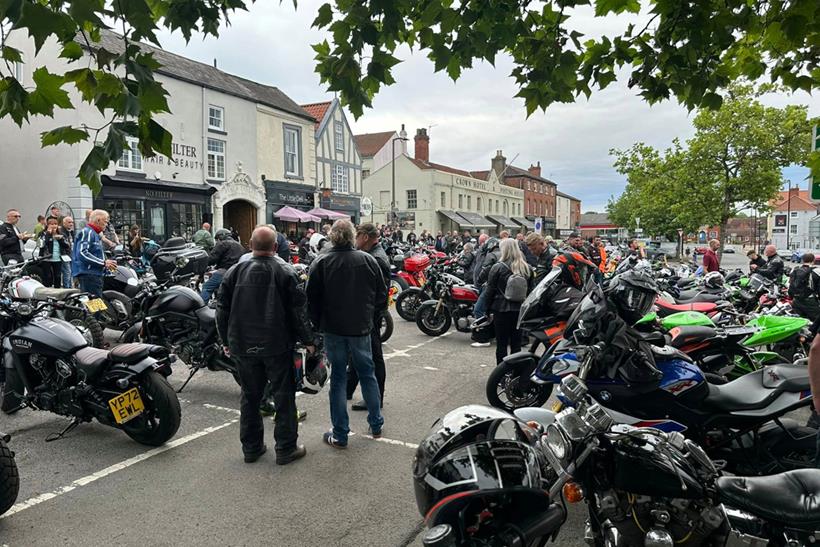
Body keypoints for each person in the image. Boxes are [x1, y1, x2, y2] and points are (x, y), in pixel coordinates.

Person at [216, 225, 315, 465]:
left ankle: (251, 448)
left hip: (243, 344)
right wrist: (309, 341)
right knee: (283, 396)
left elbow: (221, 310)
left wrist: (226, 341)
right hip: (276, 345)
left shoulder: (235, 271)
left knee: (250, 396)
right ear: (274, 247)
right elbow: (298, 312)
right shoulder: (285, 271)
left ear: (250, 245)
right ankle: (286, 448)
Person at [306, 219, 386, 448]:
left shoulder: (321, 262)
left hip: (334, 328)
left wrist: (317, 325)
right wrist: (369, 316)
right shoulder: (368, 260)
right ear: (352, 236)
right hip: (360, 327)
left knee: (339, 378)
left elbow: (311, 299)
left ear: (333, 237)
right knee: (366, 372)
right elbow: (381, 295)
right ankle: (376, 424)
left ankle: (340, 433)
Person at [347, 223, 390, 411]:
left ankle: (376, 398)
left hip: (369, 315)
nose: (355, 240)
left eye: (357, 236)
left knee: (373, 356)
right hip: (367, 314)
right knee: (359, 353)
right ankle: (348, 389)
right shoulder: (374, 255)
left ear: (364, 237)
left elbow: (378, 292)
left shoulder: (376, 258)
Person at [484, 239, 532, 364]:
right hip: (520, 310)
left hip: (501, 309)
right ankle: (515, 373)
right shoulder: (527, 268)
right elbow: (532, 291)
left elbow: (490, 291)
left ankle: (501, 374)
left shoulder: (497, 268)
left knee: (501, 344)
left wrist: (486, 310)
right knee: (516, 344)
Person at [72, 209, 117, 297]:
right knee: (95, 306)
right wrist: (104, 263)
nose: (107, 224)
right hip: (89, 275)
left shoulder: (93, 233)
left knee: (94, 304)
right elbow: (82, 253)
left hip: (91, 274)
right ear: (98, 220)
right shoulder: (88, 232)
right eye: (105, 221)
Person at [201, 229, 245, 302]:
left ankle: (200, 308)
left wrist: (203, 264)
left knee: (207, 287)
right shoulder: (239, 245)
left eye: (216, 239)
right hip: (238, 272)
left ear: (220, 238)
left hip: (225, 271)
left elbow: (211, 259)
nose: (216, 242)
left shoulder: (222, 244)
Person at [789, 253, 820, 331]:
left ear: (802, 260)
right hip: (810, 301)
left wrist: (792, 297)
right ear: (814, 260)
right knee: (816, 322)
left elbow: (790, 284)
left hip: (796, 300)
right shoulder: (816, 271)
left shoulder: (795, 269)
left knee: (799, 322)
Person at [39, 217, 70, 287]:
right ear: (47, 225)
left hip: (58, 257)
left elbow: (67, 245)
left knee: (58, 276)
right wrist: (49, 234)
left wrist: (60, 239)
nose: (54, 226)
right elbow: (42, 244)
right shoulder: (43, 233)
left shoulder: (61, 233)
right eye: (51, 224)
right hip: (46, 258)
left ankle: (57, 290)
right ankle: (47, 290)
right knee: (48, 276)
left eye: (55, 224)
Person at [60, 217, 75, 288]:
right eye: (69, 222)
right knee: (67, 271)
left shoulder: (71, 231)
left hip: (71, 253)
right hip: (64, 254)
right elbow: (64, 243)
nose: (71, 224)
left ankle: (70, 287)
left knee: (71, 272)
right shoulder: (61, 231)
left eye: (72, 222)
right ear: (64, 223)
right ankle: (67, 288)